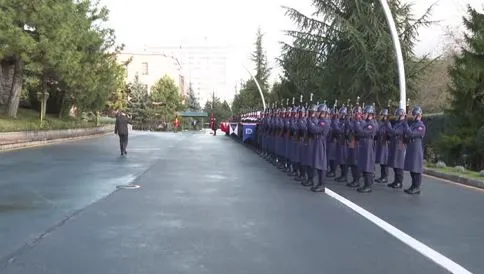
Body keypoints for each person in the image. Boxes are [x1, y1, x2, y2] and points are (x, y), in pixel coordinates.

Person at [354, 105, 378, 192]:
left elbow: (362, 132)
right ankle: (366, 184)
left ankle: (368, 186)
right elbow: (359, 133)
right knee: (364, 165)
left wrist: (357, 123)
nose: (363, 115)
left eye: (365, 113)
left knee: (368, 166)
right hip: (364, 145)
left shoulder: (371, 124)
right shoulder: (366, 123)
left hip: (368, 146)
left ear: (370, 114)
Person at [403, 106, 426, 194]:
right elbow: (407, 134)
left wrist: (405, 125)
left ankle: (417, 187)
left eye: (414, 115)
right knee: (412, 169)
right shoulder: (413, 125)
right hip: (411, 148)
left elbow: (412, 134)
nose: (412, 116)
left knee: (416, 169)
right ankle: (413, 185)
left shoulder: (421, 126)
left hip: (416, 150)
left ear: (418, 115)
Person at [386, 108, 407, 189]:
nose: (396, 117)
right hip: (395, 145)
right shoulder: (397, 123)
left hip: (400, 146)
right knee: (395, 164)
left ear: (401, 115)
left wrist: (388, 127)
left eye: (397, 115)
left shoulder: (403, 124)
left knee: (399, 164)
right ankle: (396, 181)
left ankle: (399, 182)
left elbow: (396, 132)